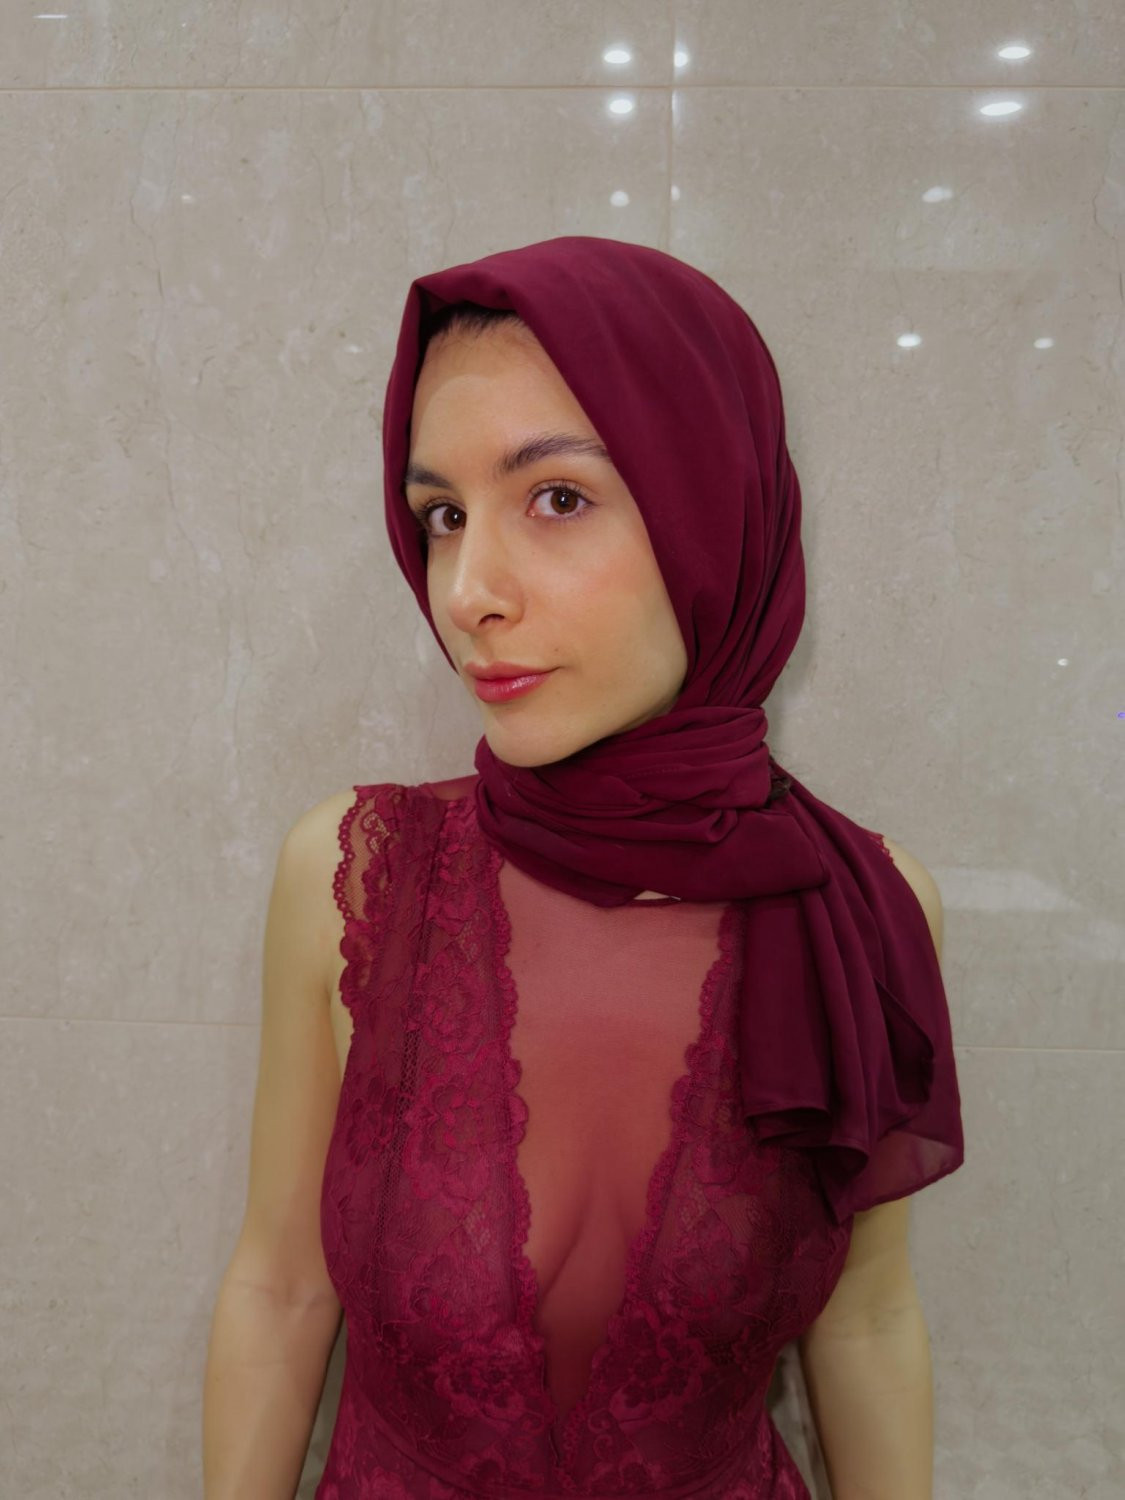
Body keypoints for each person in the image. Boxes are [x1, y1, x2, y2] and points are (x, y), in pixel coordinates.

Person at [203, 236, 964, 1500]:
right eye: (442, 516)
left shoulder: (864, 910)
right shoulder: (356, 878)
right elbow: (281, 1288)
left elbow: (867, 1322)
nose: (467, 591)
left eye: (556, 498)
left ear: (715, 509)